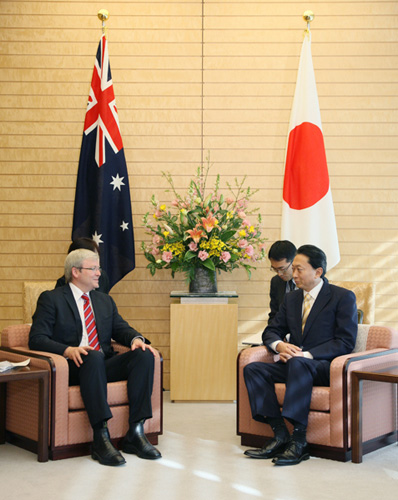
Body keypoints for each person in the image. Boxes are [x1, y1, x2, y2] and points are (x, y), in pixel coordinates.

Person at [29, 248, 161, 466]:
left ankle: (135, 433)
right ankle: (100, 437)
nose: (99, 273)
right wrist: (67, 350)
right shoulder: (51, 299)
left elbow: (121, 328)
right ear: (76, 272)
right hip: (73, 366)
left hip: (101, 363)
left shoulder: (104, 300)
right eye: (93, 268)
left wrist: (135, 339)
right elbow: (37, 338)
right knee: (92, 356)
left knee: (143, 355)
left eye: (98, 268)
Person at [243, 244, 357, 466]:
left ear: (318, 272)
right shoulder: (292, 299)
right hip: (295, 364)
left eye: (299, 269)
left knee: (298, 364)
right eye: (292, 269)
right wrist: (279, 346)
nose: (293, 275)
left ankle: (299, 440)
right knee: (254, 369)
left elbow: (345, 341)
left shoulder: (342, 297)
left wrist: (306, 355)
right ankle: (279, 434)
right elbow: (272, 330)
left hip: (324, 366)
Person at [267, 240, 297, 324]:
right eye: (275, 269)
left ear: (294, 261)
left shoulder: (309, 282)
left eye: (282, 269)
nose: (279, 274)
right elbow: (274, 315)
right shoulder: (276, 282)